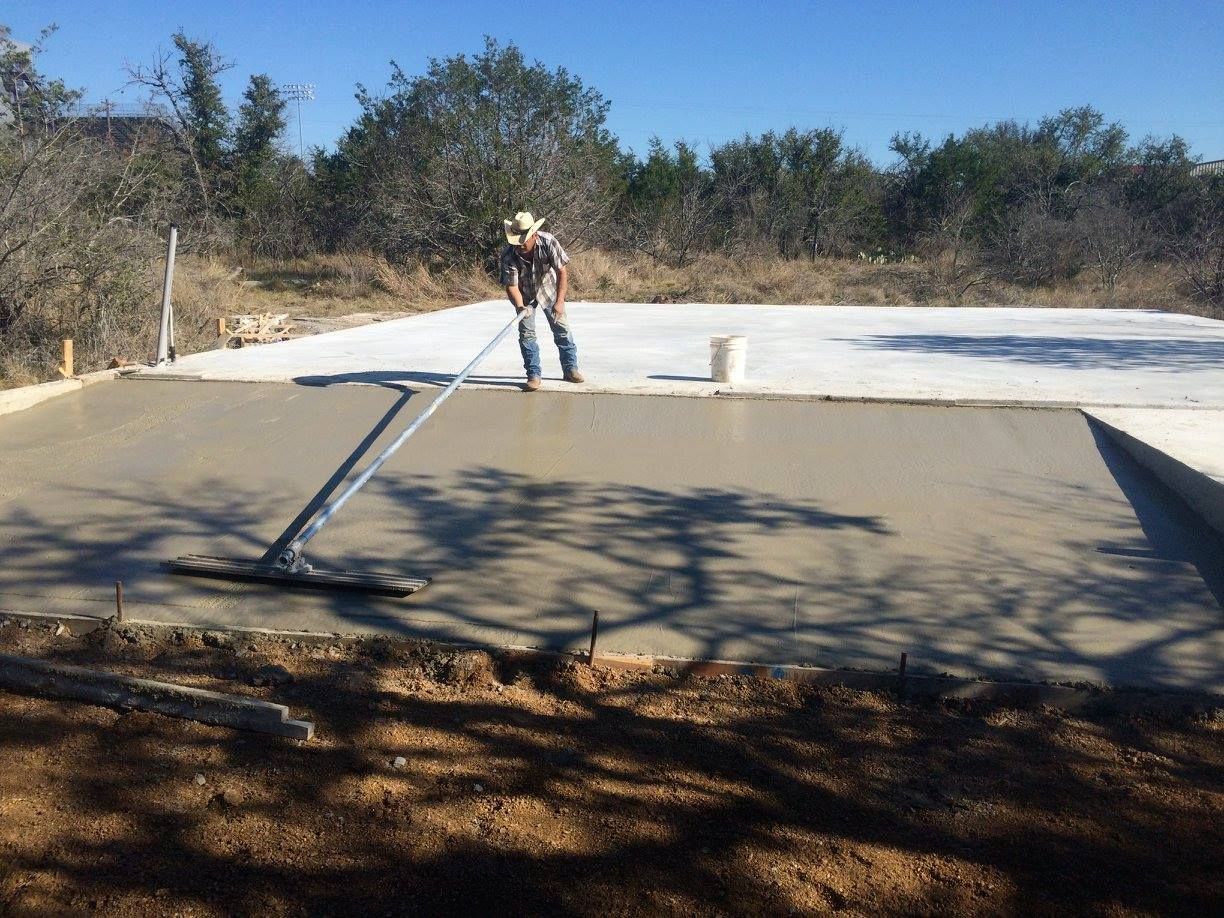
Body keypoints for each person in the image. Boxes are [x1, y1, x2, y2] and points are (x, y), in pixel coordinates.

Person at [500, 211, 584, 392]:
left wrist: (560, 301)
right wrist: (520, 306)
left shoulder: (548, 242)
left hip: (549, 290)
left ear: (534, 235)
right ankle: (533, 375)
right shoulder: (508, 255)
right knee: (527, 335)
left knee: (562, 330)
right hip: (524, 295)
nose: (520, 245)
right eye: (517, 241)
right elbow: (511, 286)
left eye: (524, 240)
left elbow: (562, 272)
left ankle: (570, 369)